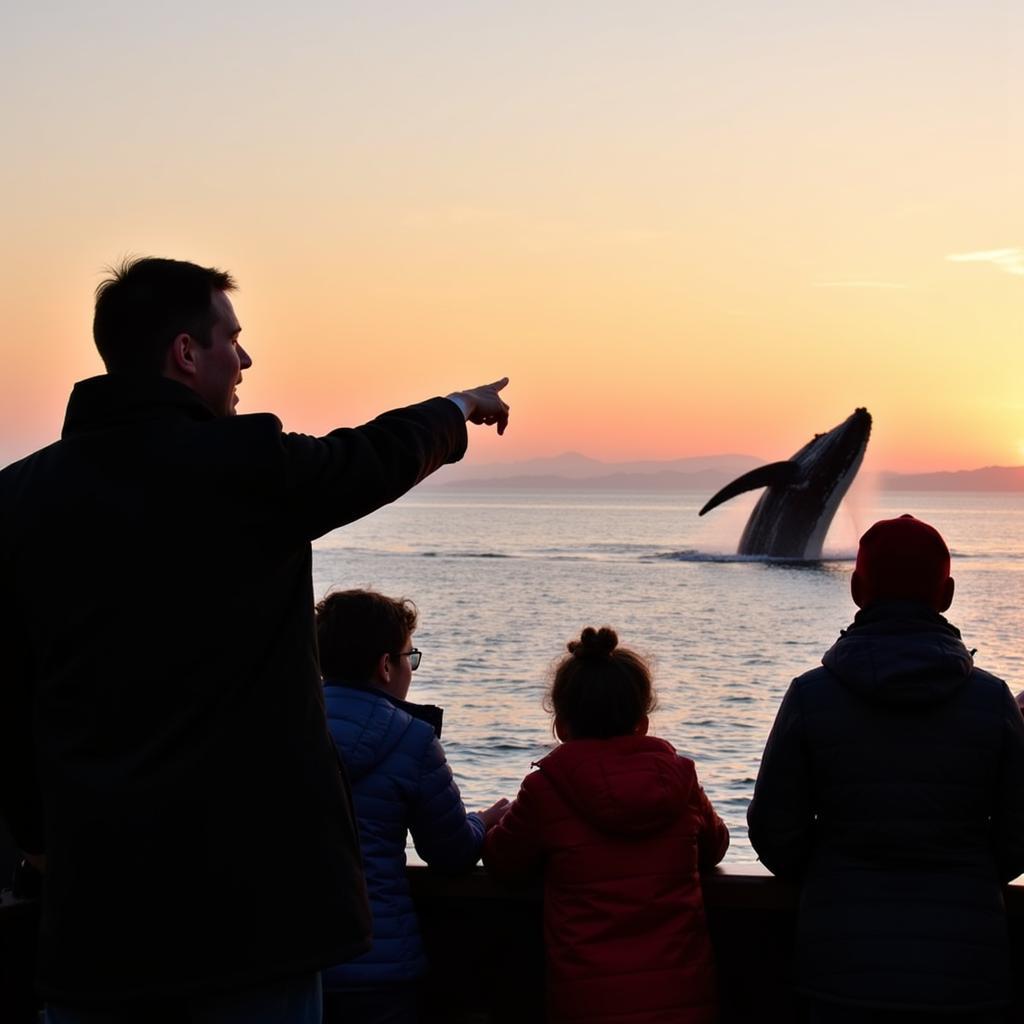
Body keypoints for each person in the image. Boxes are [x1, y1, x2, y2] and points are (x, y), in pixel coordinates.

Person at [0, 256, 510, 1023]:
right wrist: (455, 408)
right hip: (254, 921)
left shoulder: (21, 498)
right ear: (184, 353)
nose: (244, 360)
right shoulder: (241, 468)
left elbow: (8, 697)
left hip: (96, 922)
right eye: (231, 340)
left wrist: (40, 837)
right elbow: (367, 457)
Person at [747, 514, 1024, 1023]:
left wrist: (831, 875)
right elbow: (1019, 835)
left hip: (838, 968)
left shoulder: (811, 695)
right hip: (967, 970)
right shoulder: (993, 699)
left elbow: (773, 830)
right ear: (947, 594)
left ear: (855, 589)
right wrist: (972, 874)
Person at [483, 626, 729, 1024]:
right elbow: (715, 846)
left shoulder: (546, 789)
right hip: (682, 997)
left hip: (586, 1001)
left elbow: (503, 862)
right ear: (642, 722)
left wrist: (488, 824)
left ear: (561, 725)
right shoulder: (680, 782)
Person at [315, 589, 508, 1024]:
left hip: (292, 959)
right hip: (377, 961)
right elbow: (451, 852)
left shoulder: (281, 730)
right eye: (410, 657)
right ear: (386, 666)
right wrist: (483, 821)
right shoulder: (412, 739)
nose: (411, 669)